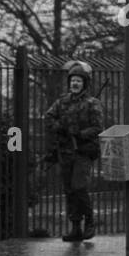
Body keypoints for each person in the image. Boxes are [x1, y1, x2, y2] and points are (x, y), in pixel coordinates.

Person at [43, 60, 104, 242]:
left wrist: (80, 134)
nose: (75, 84)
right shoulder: (62, 102)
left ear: (84, 83)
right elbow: (48, 117)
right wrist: (60, 127)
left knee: (79, 187)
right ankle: (75, 227)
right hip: (66, 151)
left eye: (78, 81)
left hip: (83, 151)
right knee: (70, 190)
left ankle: (90, 222)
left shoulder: (92, 103)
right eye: (72, 81)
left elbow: (98, 127)